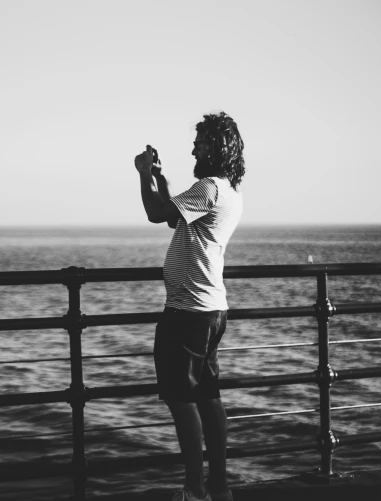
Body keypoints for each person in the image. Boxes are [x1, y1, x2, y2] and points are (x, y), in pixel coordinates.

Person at [135, 111, 245, 501]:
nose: (194, 148)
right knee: (207, 397)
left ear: (215, 147)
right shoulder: (228, 191)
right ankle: (219, 486)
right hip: (211, 311)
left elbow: (155, 213)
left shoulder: (209, 187)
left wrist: (143, 174)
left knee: (183, 402)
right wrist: (162, 179)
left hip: (188, 312)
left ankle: (194, 490)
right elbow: (173, 218)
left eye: (200, 142)